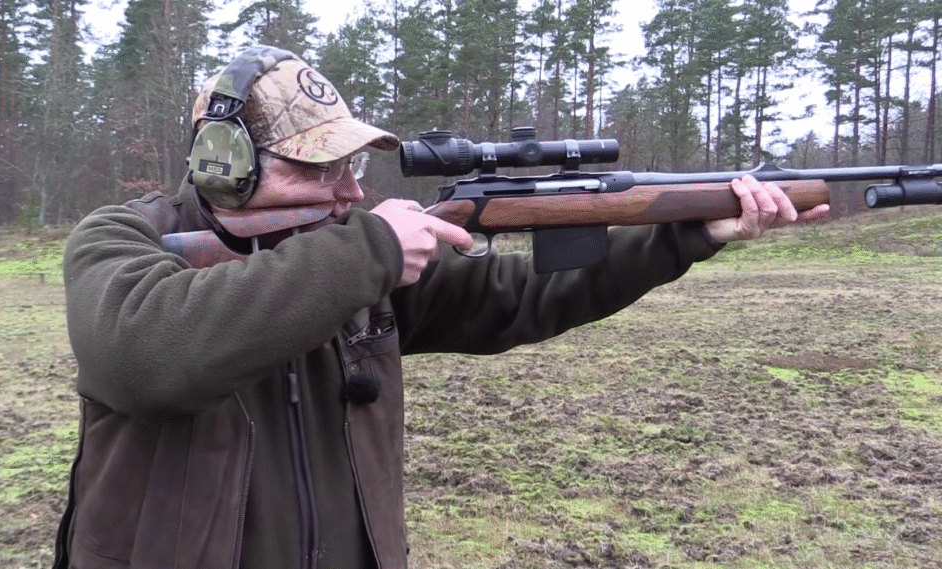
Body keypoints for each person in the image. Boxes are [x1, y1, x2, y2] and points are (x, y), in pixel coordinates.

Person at [51, 46, 829, 569]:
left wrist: (685, 234)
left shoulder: (348, 247)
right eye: (319, 170)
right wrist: (368, 251)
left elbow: (522, 297)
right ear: (225, 164)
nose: (350, 191)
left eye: (351, 165)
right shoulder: (123, 240)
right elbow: (146, 356)